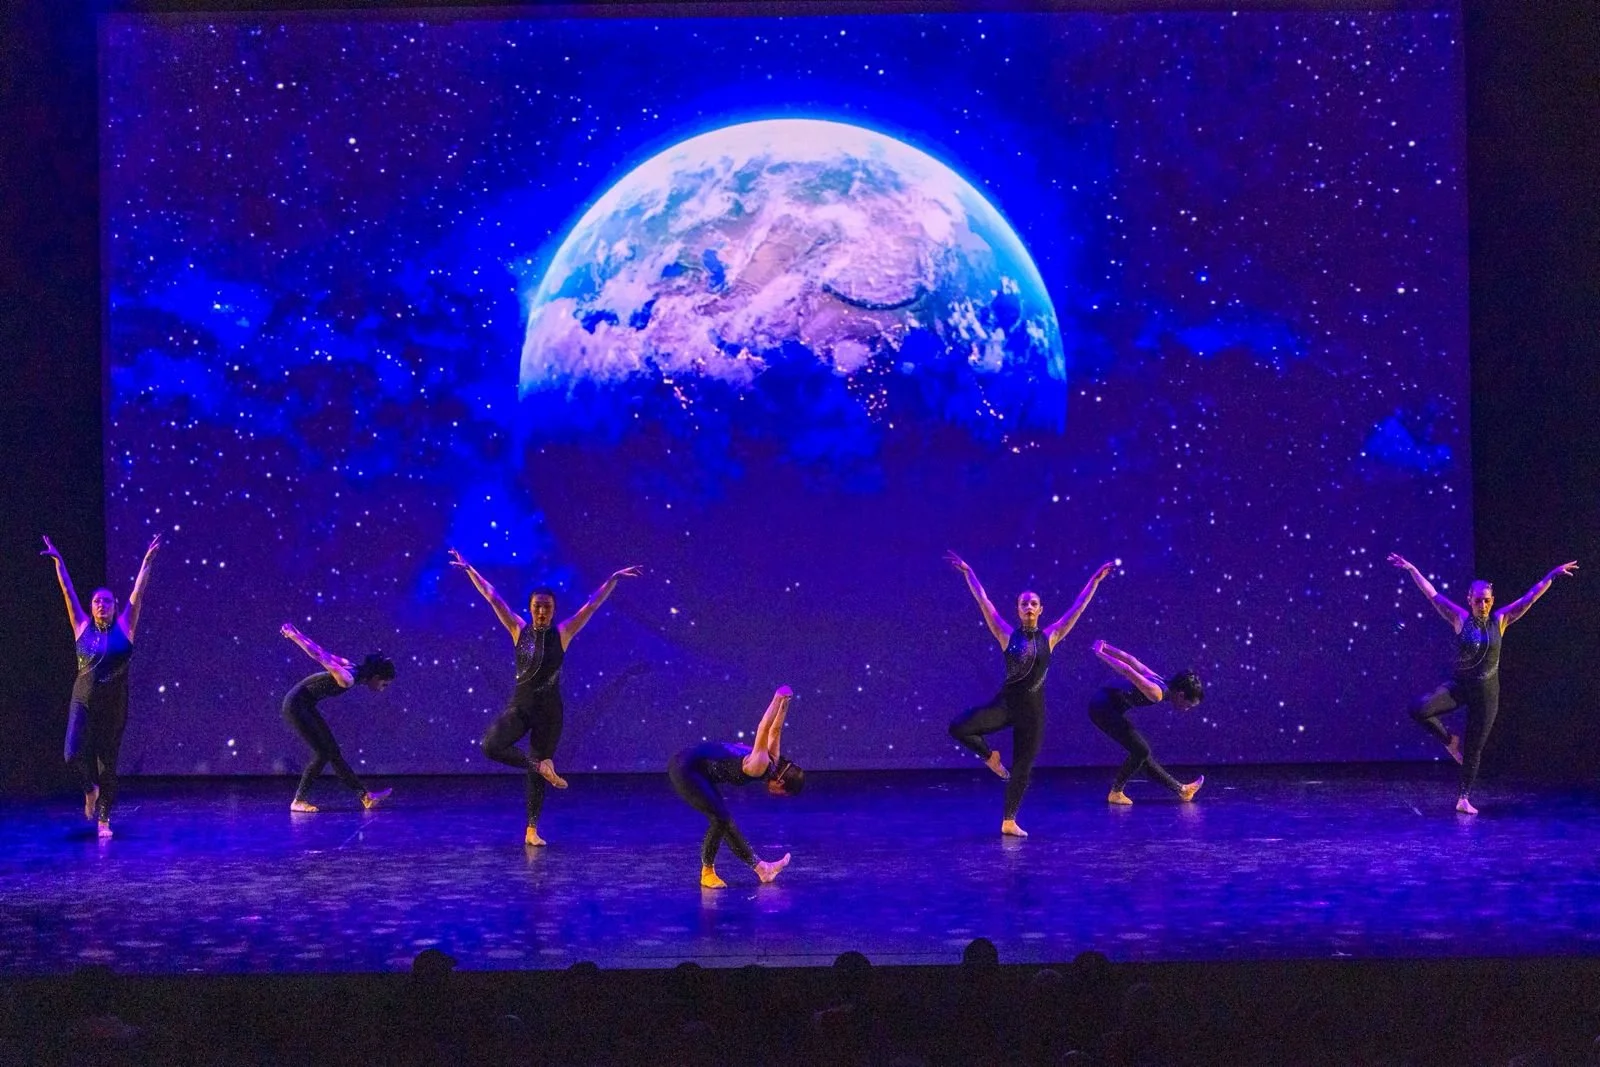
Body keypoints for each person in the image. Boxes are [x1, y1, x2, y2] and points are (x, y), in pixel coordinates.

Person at [449, 548, 641, 845]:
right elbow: (492, 596)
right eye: (537, 607)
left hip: (550, 714)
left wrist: (613, 579)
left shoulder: (563, 633)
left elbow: (591, 605)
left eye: (547, 608)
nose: (542, 612)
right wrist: (470, 570)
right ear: (530, 608)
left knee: (536, 775)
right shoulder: (518, 629)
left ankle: (531, 829)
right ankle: (540, 766)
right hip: (520, 707)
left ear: (553, 610)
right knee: (491, 746)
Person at [1389, 553, 1579, 813]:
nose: (1483, 605)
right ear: (1469, 599)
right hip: (1460, 687)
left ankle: (1463, 798)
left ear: (1492, 600)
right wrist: (1413, 569)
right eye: (1478, 600)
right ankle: (1449, 740)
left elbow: (1530, 597)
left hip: (1487, 695)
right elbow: (1432, 594)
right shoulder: (1459, 618)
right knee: (1419, 709)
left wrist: (1552, 575)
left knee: (1474, 748)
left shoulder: (1500, 620)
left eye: (1487, 600)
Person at [945, 552, 1115, 836]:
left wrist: (1094, 582)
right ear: (1018, 610)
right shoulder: (1005, 634)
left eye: (1033, 603)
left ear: (1040, 609)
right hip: (1005, 705)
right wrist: (968, 571)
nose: (1029, 607)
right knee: (959, 727)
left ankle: (1008, 821)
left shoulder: (1051, 636)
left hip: (1033, 712)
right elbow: (983, 601)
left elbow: (1077, 608)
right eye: (1024, 603)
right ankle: (990, 757)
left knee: (1022, 767)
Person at [41, 532, 162, 839]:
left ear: (114, 605)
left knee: (107, 765)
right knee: (71, 754)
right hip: (82, 699)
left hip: (113, 706)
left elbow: (139, 590)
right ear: (91, 606)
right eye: (97, 601)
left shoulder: (125, 627)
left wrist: (147, 560)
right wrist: (59, 561)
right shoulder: (81, 626)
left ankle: (104, 818)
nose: (101, 605)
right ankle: (89, 789)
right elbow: (67, 591)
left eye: (107, 601)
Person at [668, 685, 802, 888]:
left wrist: (785, 703)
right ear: (781, 783)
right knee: (720, 819)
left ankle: (763, 870)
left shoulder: (773, 759)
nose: (780, 797)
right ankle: (707, 872)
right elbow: (764, 727)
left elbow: (776, 729)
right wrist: (777, 698)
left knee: (724, 818)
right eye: (784, 794)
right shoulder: (759, 765)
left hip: (698, 769)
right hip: (685, 769)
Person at [278, 622, 396, 812]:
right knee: (324, 753)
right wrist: (294, 636)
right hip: (295, 706)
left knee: (332, 751)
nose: (382, 689)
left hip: (305, 705)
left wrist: (299, 633)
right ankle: (298, 801)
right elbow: (319, 656)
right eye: (384, 684)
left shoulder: (352, 667)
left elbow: (321, 650)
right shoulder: (347, 678)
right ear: (375, 677)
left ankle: (365, 797)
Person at [1087, 640, 1205, 805]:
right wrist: (1101, 654)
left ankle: (1182, 790)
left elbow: (1132, 661)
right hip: (1101, 708)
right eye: (1188, 705)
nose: (1187, 709)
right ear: (1181, 695)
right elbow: (1127, 670)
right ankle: (1116, 792)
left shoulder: (1159, 680)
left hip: (1108, 706)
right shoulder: (1156, 692)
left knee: (1141, 753)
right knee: (1141, 750)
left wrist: (1107, 647)